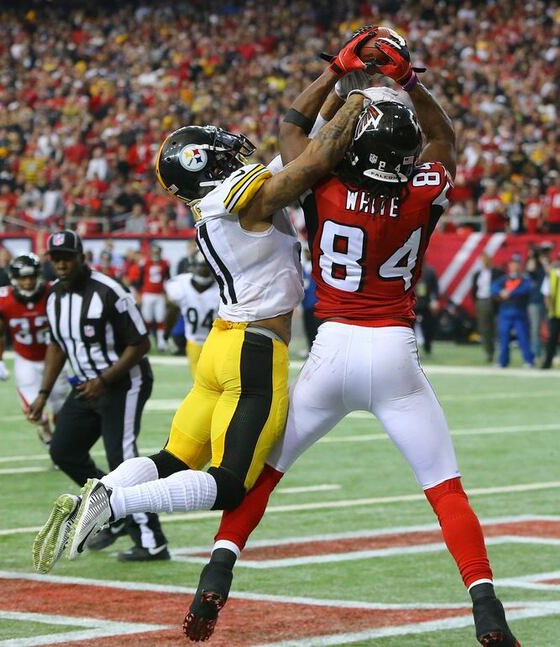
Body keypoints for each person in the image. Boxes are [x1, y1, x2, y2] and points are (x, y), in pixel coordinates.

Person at [184, 29, 519, 646]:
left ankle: (218, 568)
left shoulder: (325, 184)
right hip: (393, 351)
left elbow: (293, 129)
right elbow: (445, 138)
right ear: (405, 150)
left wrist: (338, 73)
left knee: (265, 474)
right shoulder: (423, 191)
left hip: (331, 348)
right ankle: (486, 609)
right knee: (445, 488)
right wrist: (410, 83)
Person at [31, 32, 371, 579]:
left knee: (171, 458)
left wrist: (335, 77)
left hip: (222, 345)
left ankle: (103, 490)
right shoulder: (238, 200)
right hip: (252, 350)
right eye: (219, 146)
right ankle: (115, 506)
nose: (234, 147)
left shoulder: (218, 200)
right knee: (231, 482)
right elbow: (312, 162)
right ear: (205, 163)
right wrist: (365, 95)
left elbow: (294, 132)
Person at [30, 230, 168, 572]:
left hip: (123, 383)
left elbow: (140, 343)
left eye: (67, 257)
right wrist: (44, 393)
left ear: (82, 258)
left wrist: (104, 380)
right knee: (63, 451)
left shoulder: (109, 292)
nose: (61, 264)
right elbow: (57, 345)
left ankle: (152, 540)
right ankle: (116, 508)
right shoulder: (54, 297)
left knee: (123, 458)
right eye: (56, 258)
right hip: (87, 387)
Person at [0, 253, 68, 446]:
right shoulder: (3, 299)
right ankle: (46, 432)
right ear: (14, 279)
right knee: (33, 412)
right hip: (26, 360)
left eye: (31, 276)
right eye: (23, 277)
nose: (28, 282)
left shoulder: (54, 293)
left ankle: (61, 446)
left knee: (61, 406)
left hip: (55, 359)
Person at [164, 251, 219, 379]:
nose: (203, 270)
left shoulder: (222, 288)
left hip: (216, 341)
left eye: (206, 267)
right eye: (201, 266)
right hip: (193, 342)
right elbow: (172, 309)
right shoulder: (180, 285)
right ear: (192, 267)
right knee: (201, 382)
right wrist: (168, 333)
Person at [491, 254, 534, 369]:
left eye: (516, 263)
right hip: (505, 312)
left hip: (519, 312)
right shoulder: (505, 278)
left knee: (523, 337)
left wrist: (510, 292)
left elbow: (526, 289)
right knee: (503, 338)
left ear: (520, 265)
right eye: (512, 263)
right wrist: (501, 292)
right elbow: (493, 287)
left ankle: (528, 360)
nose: (514, 266)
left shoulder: (524, 278)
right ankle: (503, 361)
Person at [471, 253, 503, 363]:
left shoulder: (497, 272)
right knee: (484, 329)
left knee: (496, 327)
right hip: (481, 301)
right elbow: (474, 290)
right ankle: (489, 352)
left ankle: (500, 353)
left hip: (494, 301)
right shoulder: (477, 274)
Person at [140, 244, 171, 351]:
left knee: (160, 319)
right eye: (154, 252)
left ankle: (161, 343)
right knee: (147, 319)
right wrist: (140, 293)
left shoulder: (165, 264)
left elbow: (167, 279)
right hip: (147, 294)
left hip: (159, 295)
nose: (156, 254)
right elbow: (140, 280)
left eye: (157, 252)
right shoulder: (145, 263)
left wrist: (167, 294)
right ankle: (146, 342)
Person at [540, 251, 560, 369]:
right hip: (555, 313)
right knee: (551, 339)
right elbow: (546, 293)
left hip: (554, 312)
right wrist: (549, 308)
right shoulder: (551, 274)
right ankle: (547, 362)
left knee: (551, 339)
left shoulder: (551, 273)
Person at [414, 263, 439, 355]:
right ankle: (411, 349)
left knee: (428, 327)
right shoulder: (410, 268)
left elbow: (435, 288)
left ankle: (427, 347)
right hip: (412, 304)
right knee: (409, 328)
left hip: (426, 304)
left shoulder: (429, 271)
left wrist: (434, 300)